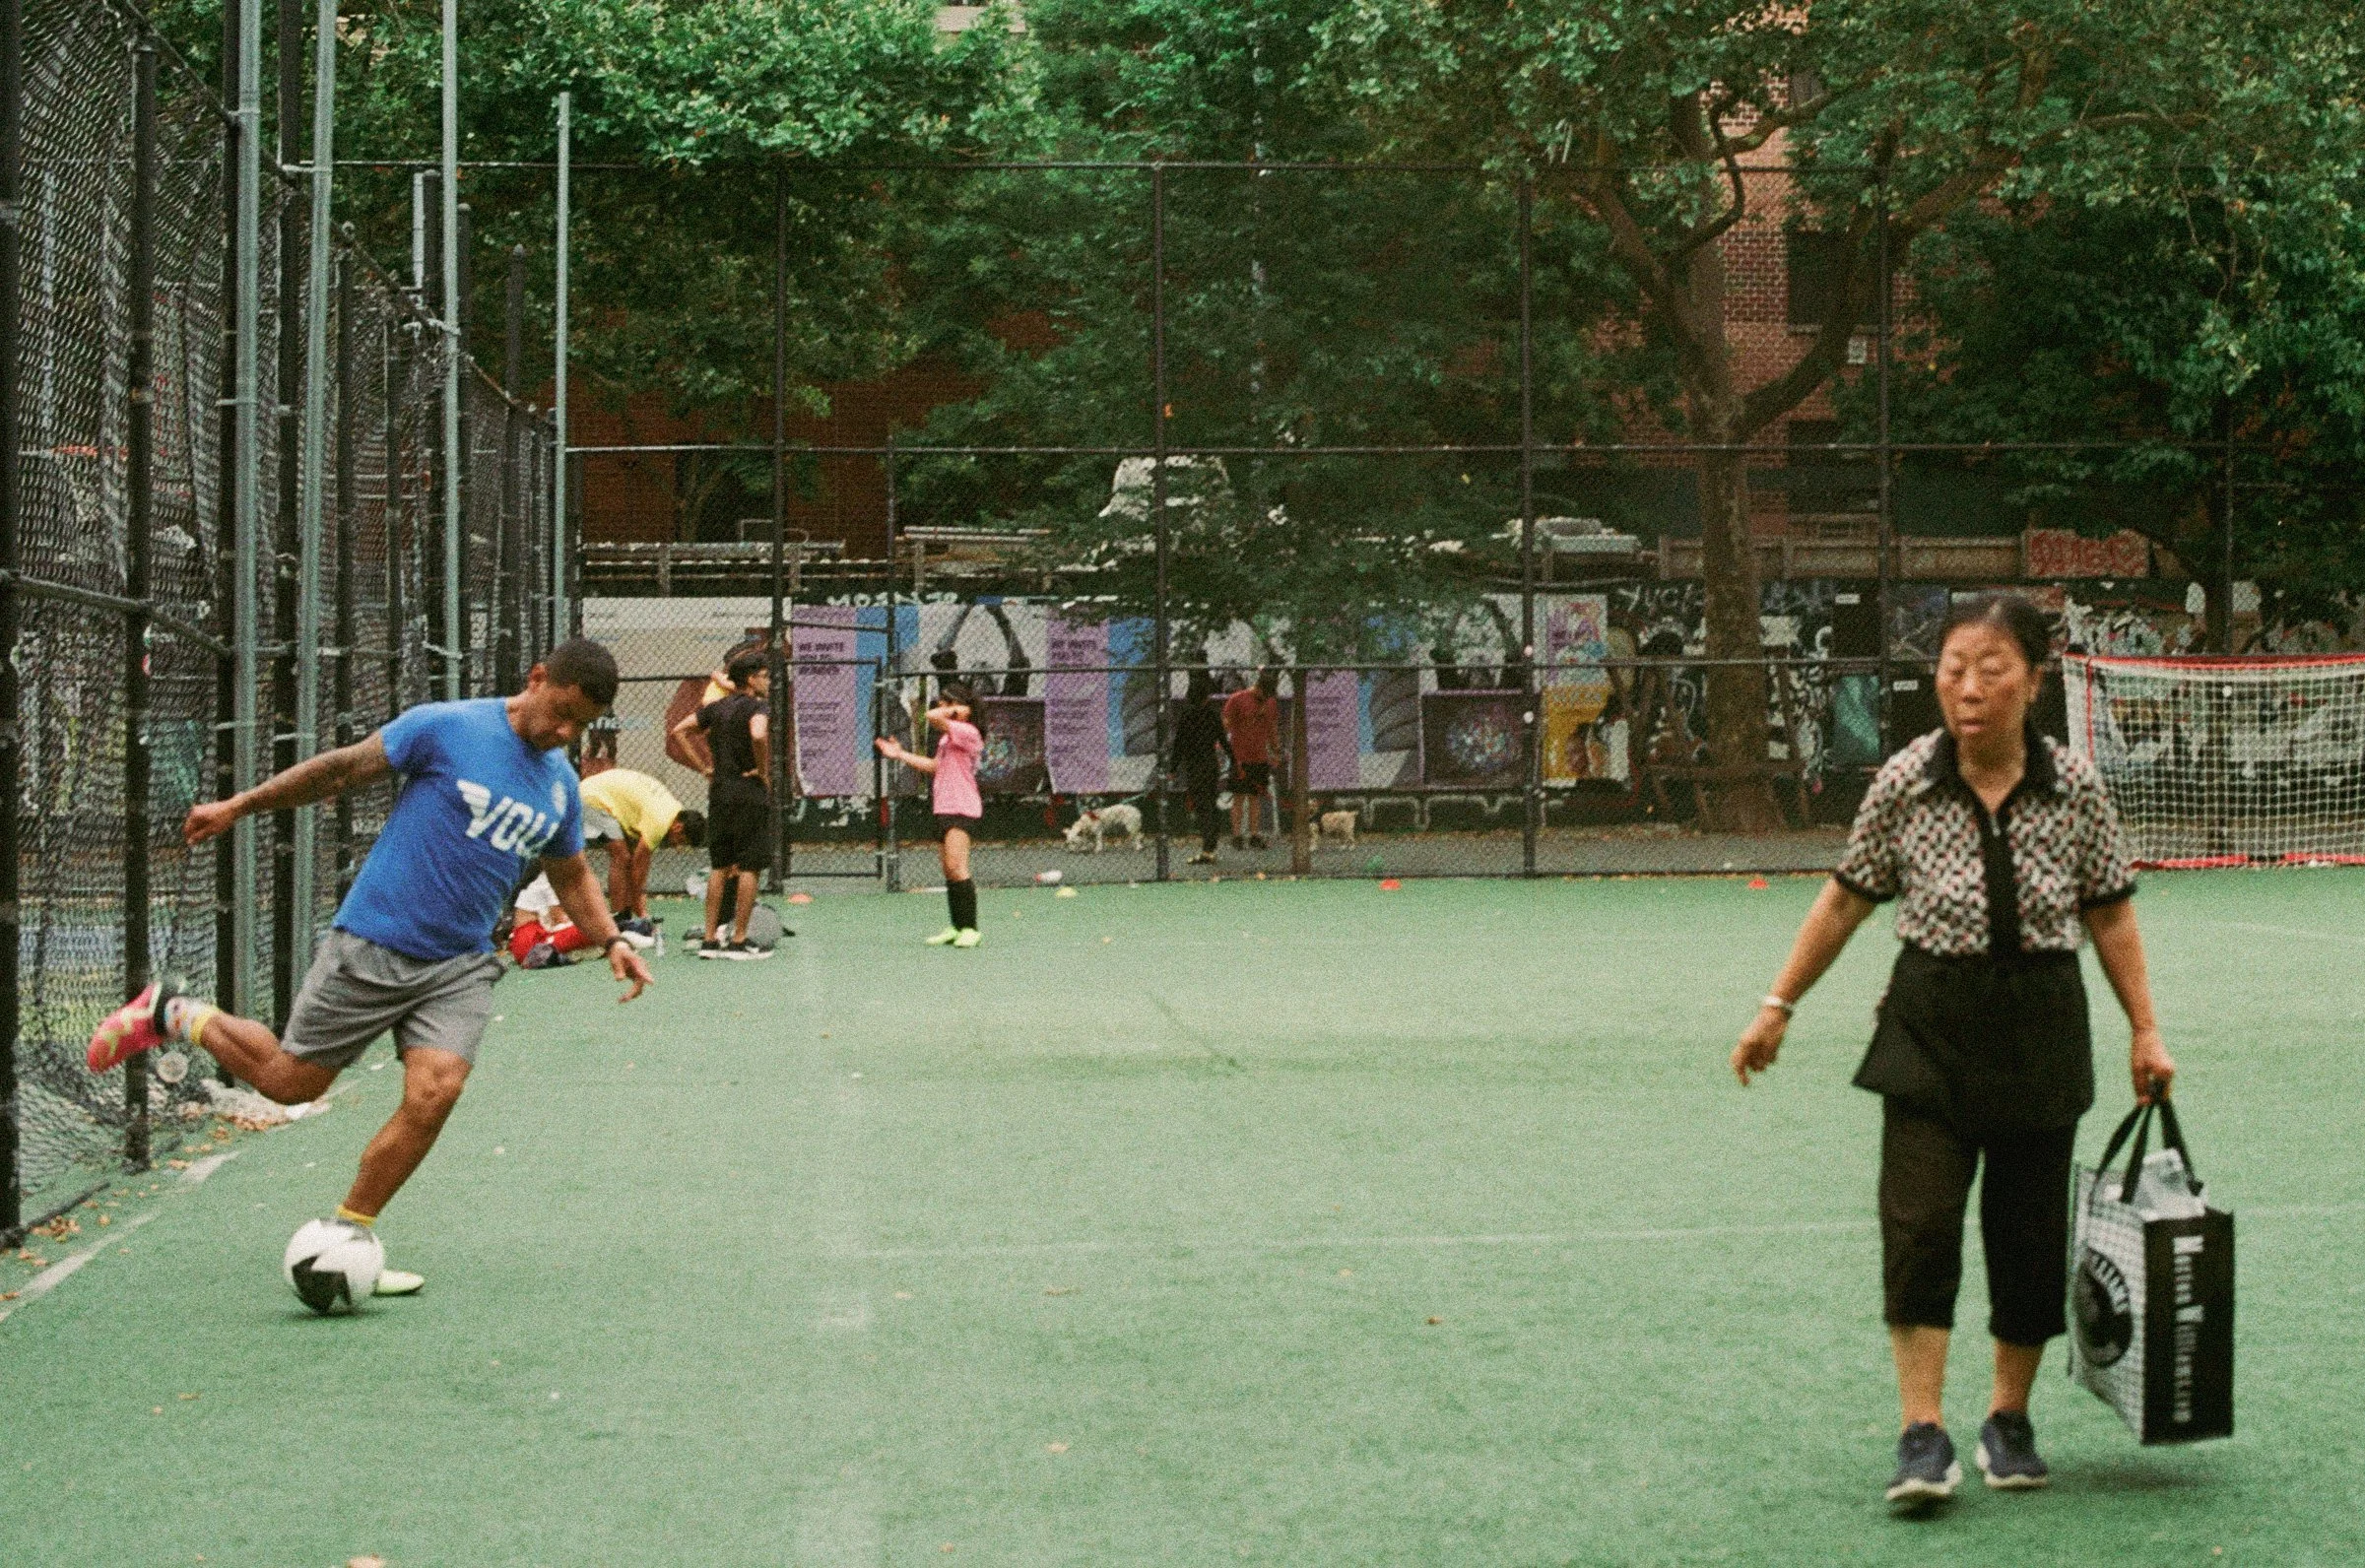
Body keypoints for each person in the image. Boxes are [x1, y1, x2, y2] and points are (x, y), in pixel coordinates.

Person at [1730, 593, 2176, 1510]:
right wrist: (1777, 1004)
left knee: (2024, 1234)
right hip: (1929, 1023)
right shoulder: (1903, 780)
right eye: (1951, 670)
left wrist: (2144, 1026)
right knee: (1921, 1224)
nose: (1966, 688)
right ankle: (1921, 1431)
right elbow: (1845, 899)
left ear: (2034, 681)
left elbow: (2111, 913)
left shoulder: (2076, 785)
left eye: (1990, 669)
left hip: (2040, 1024)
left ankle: (2006, 1421)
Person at [86, 639, 654, 1293]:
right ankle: (172, 1012)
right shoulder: (446, 727)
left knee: (436, 1090)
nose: (565, 733)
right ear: (535, 678)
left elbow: (572, 871)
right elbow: (336, 771)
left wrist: (610, 938)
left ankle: (348, 1237)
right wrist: (240, 805)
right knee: (289, 1083)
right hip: (376, 940)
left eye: (580, 725)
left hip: (461, 964)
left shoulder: (558, 784)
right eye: (560, 713)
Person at [674, 649, 774, 960]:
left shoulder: (716, 708)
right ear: (750, 678)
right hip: (749, 793)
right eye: (764, 675)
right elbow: (758, 736)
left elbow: (679, 731)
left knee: (720, 865)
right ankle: (739, 941)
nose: (768, 681)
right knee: (749, 865)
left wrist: (704, 768)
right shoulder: (759, 707)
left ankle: (709, 940)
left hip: (719, 794)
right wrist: (763, 770)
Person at [876, 680, 985, 948]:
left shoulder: (968, 731)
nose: (941, 706)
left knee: (959, 868)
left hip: (962, 806)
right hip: (943, 805)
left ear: (964, 708)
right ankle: (956, 926)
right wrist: (900, 755)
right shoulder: (949, 737)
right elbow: (936, 766)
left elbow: (930, 715)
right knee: (949, 870)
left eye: (948, 702)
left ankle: (971, 929)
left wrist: (954, 710)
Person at [578, 766, 705, 941]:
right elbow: (639, 868)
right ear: (678, 828)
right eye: (681, 841)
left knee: (626, 857)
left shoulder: (673, 811)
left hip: (604, 798)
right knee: (621, 856)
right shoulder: (660, 822)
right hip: (592, 799)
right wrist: (642, 912)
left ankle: (625, 917)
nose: (678, 847)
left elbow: (637, 869)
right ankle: (620, 920)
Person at [1170, 671, 1230, 866]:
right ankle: (1210, 843)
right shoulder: (1212, 715)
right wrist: (1234, 760)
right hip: (1209, 764)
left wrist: (1172, 767)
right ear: (1205, 697)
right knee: (1210, 803)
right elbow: (1223, 739)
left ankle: (1208, 845)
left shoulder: (1187, 715)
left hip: (1194, 765)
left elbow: (1179, 743)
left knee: (1201, 804)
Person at [1223, 667, 1281, 849]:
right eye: (1265, 695)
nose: (1266, 699)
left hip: (1260, 756)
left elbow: (1272, 729)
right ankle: (1237, 835)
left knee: (1255, 796)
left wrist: (1276, 749)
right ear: (1258, 688)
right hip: (1240, 756)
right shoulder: (1237, 699)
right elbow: (1225, 724)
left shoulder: (1270, 703)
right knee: (1239, 796)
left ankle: (1254, 834)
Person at [508, 871, 591, 968]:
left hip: (529, 942)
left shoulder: (540, 877)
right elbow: (559, 919)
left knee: (587, 926)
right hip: (530, 944)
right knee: (589, 929)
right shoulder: (549, 879)